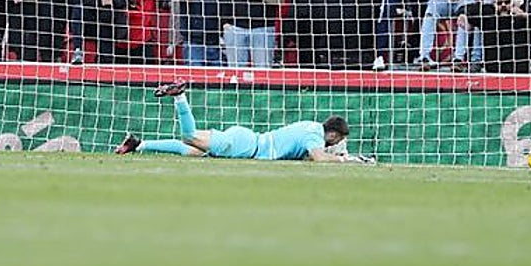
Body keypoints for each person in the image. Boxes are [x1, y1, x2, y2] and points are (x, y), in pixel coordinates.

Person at [116, 80, 371, 162]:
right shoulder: (315, 135)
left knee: (192, 150)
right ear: (332, 134)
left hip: (248, 140)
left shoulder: (311, 126)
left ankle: (138, 144)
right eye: (336, 141)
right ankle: (180, 97)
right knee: (191, 137)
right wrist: (344, 160)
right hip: (246, 147)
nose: (334, 145)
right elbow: (318, 158)